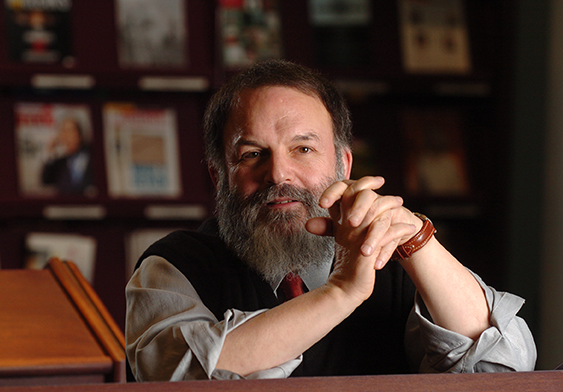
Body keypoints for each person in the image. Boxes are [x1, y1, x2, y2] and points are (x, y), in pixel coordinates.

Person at [125, 59, 536, 381]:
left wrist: (416, 239)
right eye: (252, 154)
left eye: (303, 149)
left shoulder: (399, 266)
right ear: (219, 176)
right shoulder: (172, 268)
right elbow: (177, 375)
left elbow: (505, 369)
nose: (279, 174)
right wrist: (340, 293)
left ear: (344, 164)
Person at [41, 117, 94, 195]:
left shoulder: (92, 155)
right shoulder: (59, 162)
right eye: (63, 132)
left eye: (70, 131)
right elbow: (45, 181)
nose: (66, 136)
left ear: (79, 133)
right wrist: (49, 153)